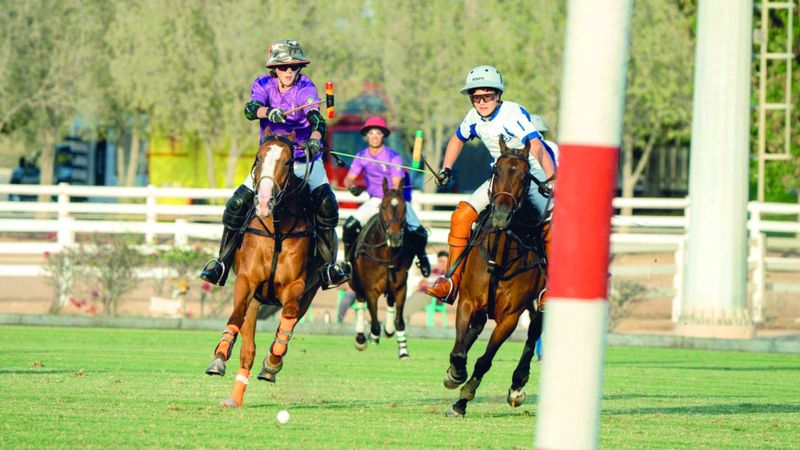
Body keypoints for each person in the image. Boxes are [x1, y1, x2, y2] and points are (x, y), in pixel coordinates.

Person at [200, 39, 350, 289]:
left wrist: (314, 139)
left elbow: (317, 120)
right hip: (270, 162)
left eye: (294, 67)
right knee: (237, 204)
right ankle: (221, 264)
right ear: (274, 69)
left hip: (303, 160)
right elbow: (250, 109)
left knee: (327, 205)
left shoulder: (305, 86)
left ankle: (327, 268)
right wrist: (267, 112)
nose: (289, 72)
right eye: (283, 67)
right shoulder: (262, 84)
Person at [426, 65, 557, 303]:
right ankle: (450, 281)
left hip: (533, 172)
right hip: (502, 177)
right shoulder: (473, 117)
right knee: (462, 215)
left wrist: (552, 178)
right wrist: (446, 167)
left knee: (551, 224)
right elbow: (457, 138)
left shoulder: (513, 113)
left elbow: (536, 146)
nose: (482, 101)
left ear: (498, 95)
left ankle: (551, 286)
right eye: (476, 97)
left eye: (488, 95)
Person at [340, 116, 430, 277]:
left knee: (419, 231)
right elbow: (349, 178)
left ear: (383, 136)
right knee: (349, 226)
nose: (374, 136)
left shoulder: (393, 157)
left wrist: (389, 201)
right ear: (366, 136)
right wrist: (352, 187)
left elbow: (396, 183)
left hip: (395, 200)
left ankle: (422, 258)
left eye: (378, 133)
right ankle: (347, 263)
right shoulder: (361, 155)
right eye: (371, 133)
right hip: (375, 200)